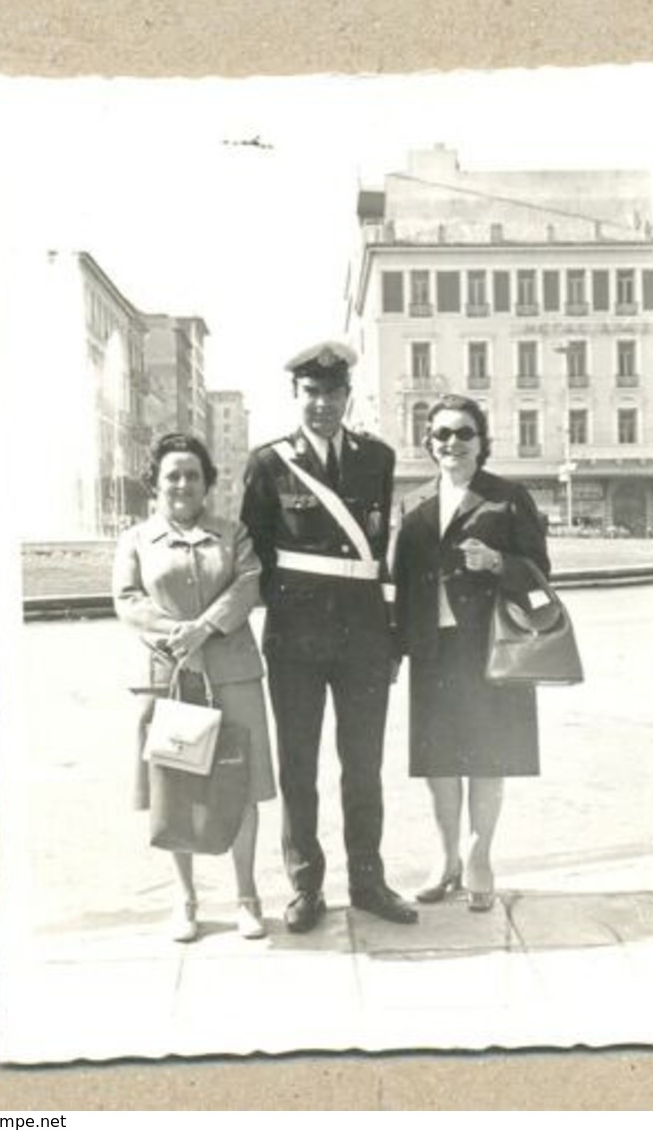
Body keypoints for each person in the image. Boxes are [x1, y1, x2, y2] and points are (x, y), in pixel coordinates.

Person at [240, 340, 418, 933]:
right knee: (298, 768)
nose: (322, 404)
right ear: (297, 395)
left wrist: (393, 637)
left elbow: (380, 554)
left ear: (347, 396)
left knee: (362, 766)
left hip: (365, 639)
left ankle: (367, 881)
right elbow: (254, 556)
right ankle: (305, 887)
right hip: (296, 642)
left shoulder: (378, 458)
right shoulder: (269, 463)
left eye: (333, 393)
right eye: (312, 393)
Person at [113, 433, 276, 943]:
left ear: (207, 483)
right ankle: (185, 900)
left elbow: (248, 582)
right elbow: (127, 598)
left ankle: (247, 896)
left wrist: (205, 627)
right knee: (175, 785)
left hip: (232, 674)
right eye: (172, 476)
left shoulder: (233, 534)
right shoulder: (135, 540)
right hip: (166, 676)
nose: (182, 484)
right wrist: (178, 637)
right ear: (155, 485)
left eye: (192, 475)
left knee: (240, 782)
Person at [392, 394, 551, 911]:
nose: (451, 443)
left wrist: (498, 563)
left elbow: (541, 575)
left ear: (482, 442)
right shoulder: (413, 504)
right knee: (438, 761)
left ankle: (480, 857)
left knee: (488, 755)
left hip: (491, 650)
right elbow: (400, 582)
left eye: (463, 433)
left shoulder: (507, 498)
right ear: (428, 443)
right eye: (441, 434)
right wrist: (395, 648)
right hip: (432, 650)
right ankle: (447, 859)